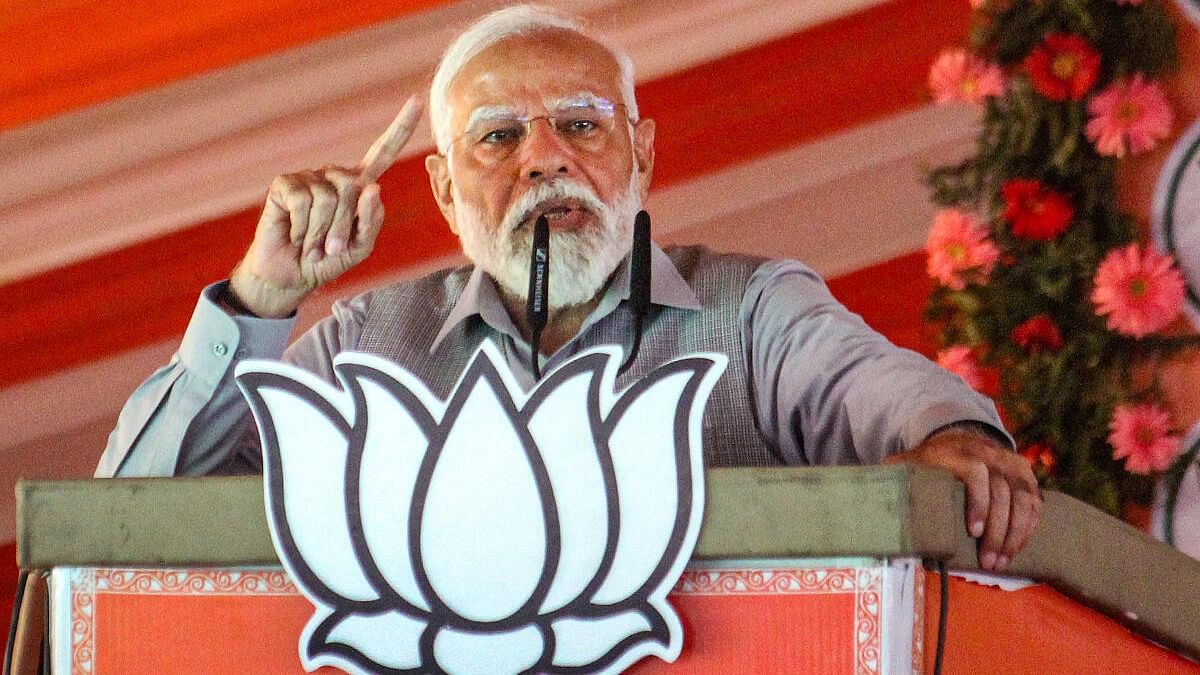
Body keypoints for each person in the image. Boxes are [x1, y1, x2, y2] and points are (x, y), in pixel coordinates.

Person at [96, 5, 1040, 572]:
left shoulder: (752, 311)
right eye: (499, 136)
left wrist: (952, 440)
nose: (545, 159)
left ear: (643, 152)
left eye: (582, 126)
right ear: (442, 189)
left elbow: (908, 410)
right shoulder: (363, 343)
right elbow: (126, 522)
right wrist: (261, 294)